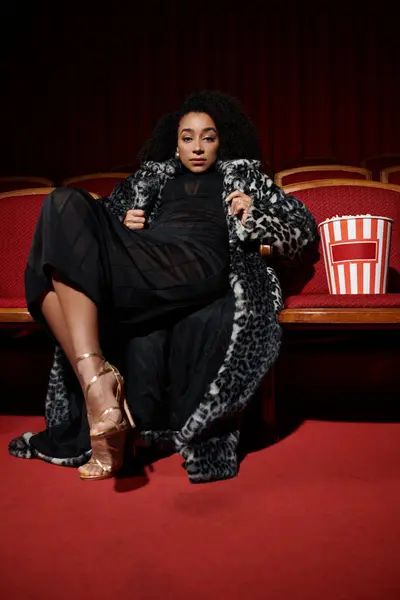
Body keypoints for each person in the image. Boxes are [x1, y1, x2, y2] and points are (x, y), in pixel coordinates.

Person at [9, 91, 317, 483]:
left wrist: (253, 215)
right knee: (61, 207)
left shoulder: (246, 178)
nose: (198, 147)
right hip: (147, 254)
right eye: (188, 137)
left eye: (208, 137)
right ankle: (99, 387)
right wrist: (124, 224)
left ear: (223, 141)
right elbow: (93, 224)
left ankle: (102, 398)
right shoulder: (147, 180)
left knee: (59, 250)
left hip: (200, 258)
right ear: (175, 142)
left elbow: (302, 231)